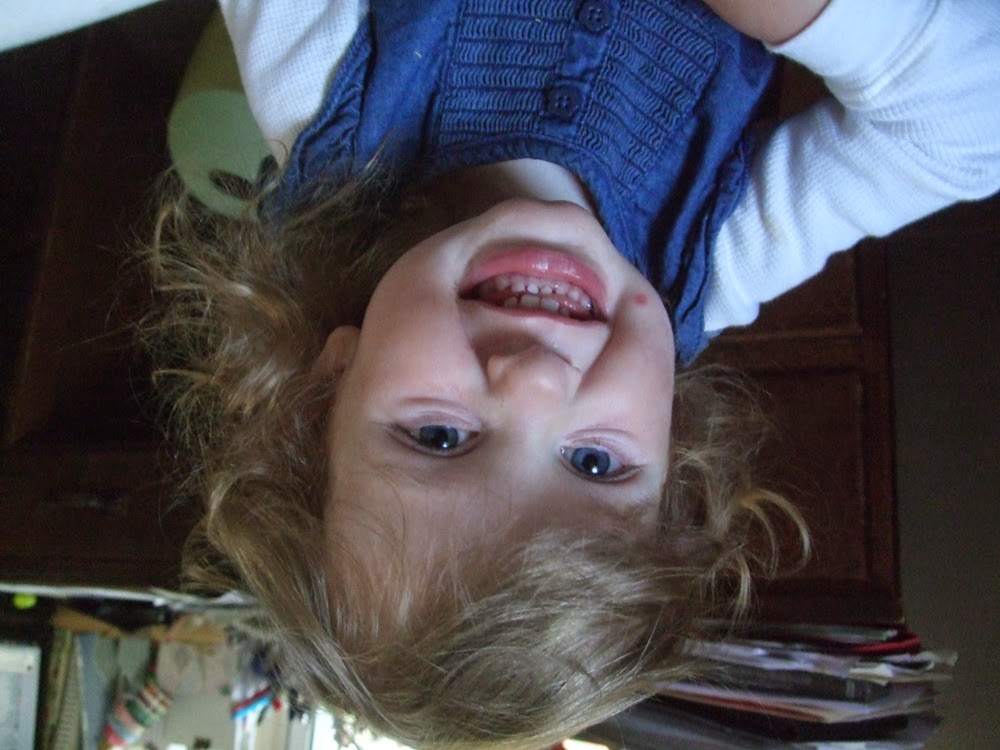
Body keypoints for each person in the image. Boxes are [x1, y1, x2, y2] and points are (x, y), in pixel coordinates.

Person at [146, 0, 1000, 747]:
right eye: (595, 463)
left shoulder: (326, 92)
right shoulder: (707, 262)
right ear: (668, 447)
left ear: (329, 385)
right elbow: (973, 125)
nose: (536, 383)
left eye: (439, 438)